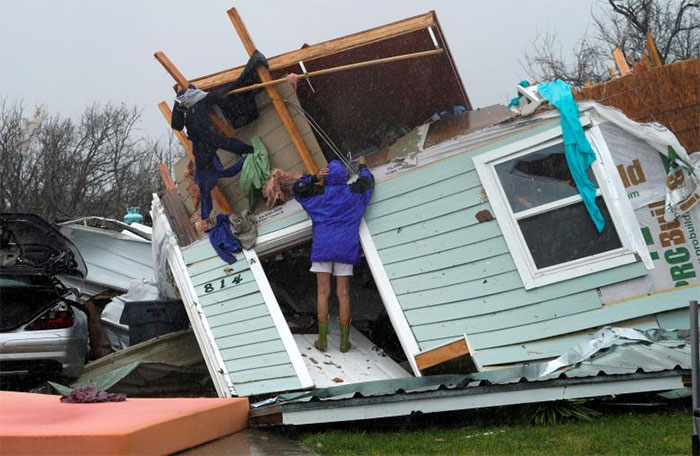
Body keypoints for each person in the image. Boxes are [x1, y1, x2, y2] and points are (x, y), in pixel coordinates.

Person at [292, 157, 374, 352]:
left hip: (323, 247)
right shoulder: (354, 193)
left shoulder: (317, 194)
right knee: (343, 294)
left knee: (323, 292)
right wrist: (362, 165)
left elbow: (297, 188)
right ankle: (345, 343)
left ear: (326, 176)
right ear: (345, 177)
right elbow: (368, 181)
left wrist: (314, 177)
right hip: (346, 247)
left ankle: (322, 340)